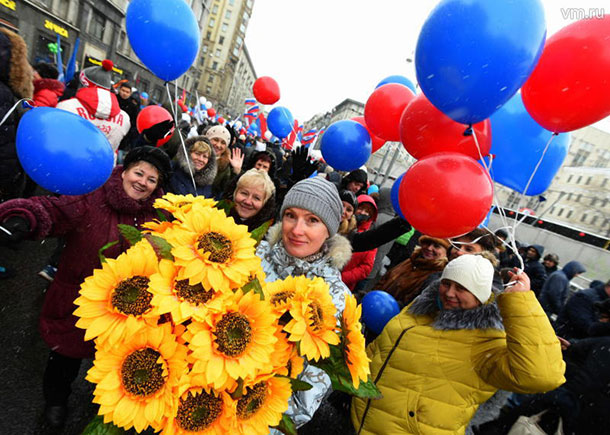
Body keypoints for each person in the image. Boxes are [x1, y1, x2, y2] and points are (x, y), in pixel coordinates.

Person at [0, 146, 171, 428]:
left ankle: (102, 403)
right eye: (139, 173)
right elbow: (53, 210)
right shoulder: (94, 194)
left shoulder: (158, 215)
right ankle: (55, 402)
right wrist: (22, 217)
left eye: (152, 180)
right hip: (76, 301)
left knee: (109, 364)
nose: (143, 182)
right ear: (125, 171)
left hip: (126, 314)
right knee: (64, 359)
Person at [351, 254, 566, 435]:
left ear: (481, 294)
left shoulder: (486, 340)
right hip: (359, 424)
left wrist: (521, 303)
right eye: (446, 283)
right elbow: (379, 352)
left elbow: (542, 376)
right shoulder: (419, 310)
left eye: (462, 288)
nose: (449, 293)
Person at [256, 177, 352, 430]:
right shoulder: (251, 259)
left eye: (312, 220)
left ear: (329, 230)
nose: (297, 230)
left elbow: (304, 399)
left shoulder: (335, 299)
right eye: (290, 215)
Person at [56, 59, 130, 154]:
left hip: (68, 161)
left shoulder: (66, 107)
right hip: (104, 166)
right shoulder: (124, 118)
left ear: (83, 83)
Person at [376, 235, 450, 306]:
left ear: (446, 252)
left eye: (436, 246)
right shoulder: (412, 261)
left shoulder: (437, 276)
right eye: (427, 243)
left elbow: (413, 304)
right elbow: (384, 280)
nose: (429, 248)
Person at [341, 194, 378, 291]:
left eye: (367, 212)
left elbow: (366, 268)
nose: (363, 213)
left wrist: (341, 277)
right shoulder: (340, 225)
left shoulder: (369, 237)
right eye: (361, 209)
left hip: (343, 285)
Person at [228, 168, 277, 232]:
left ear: (264, 203)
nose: (248, 202)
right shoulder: (214, 217)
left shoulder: (268, 234)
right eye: (244, 193)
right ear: (234, 193)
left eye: (256, 198)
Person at [206, 125, 244, 198]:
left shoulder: (225, 166)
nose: (218, 145)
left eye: (223, 143)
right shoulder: (194, 154)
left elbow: (226, 190)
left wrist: (236, 172)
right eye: (216, 140)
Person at [116, 81, 140, 153]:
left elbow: (134, 124)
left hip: (123, 137)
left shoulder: (132, 107)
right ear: (119, 89)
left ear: (130, 94)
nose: (124, 93)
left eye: (127, 92)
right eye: (123, 90)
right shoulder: (113, 99)